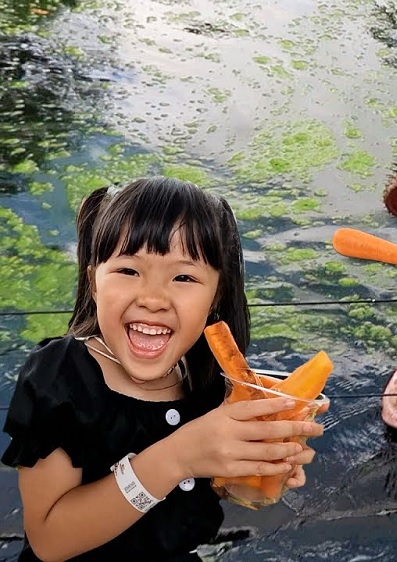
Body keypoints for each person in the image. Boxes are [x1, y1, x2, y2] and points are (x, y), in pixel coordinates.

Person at [2, 177, 324, 561]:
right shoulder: (60, 378)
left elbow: (208, 486)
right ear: (94, 283)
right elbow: (49, 541)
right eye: (128, 271)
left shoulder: (208, 380)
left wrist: (253, 467)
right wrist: (179, 456)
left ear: (216, 294)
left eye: (183, 277)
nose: (153, 299)